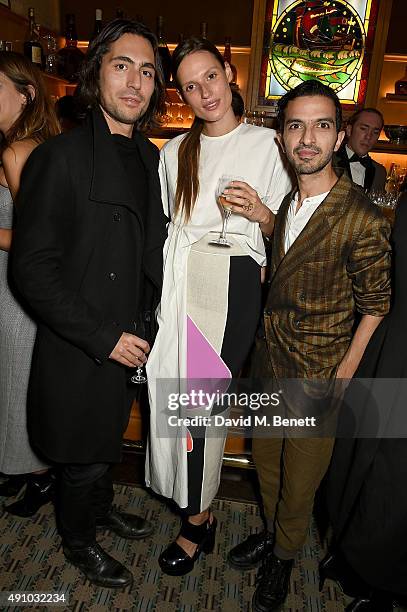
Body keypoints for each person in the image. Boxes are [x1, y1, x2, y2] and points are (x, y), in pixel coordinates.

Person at [11, 19, 167, 589]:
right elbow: (31, 269)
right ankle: (78, 541)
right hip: (85, 339)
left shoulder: (153, 160)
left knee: (104, 441)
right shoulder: (60, 157)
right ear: (94, 74)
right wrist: (102, 336)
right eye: (120, 65)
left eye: (146, 70)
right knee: (82, 452)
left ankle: (98, 513)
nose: (134, 81)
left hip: (136, 330)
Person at [227, 80, 392, 612]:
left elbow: (377, 304)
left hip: (318, 373)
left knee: (299, 484)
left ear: (339, 137)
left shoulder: (361, 216)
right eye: (296, 125)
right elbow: (294, 250)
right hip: (271, 360)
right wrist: (262, 218)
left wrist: (344, 373)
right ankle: (276, 534)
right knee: (266, 465)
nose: (307, 138)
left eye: (322, 125)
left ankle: (284, 556)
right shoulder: (288, 202)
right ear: (281, 137)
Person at [145, 36, 292, 577]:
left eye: (210, 76)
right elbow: (166, 228)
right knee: (177, 400)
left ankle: (196, 520)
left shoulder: (269, 145)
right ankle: (195, 509)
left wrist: (259, 212)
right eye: (189, 85)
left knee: (202, 405)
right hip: (183, 277)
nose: (204, 91)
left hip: (231, 282)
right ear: (180, 94)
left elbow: (287, 238)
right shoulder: (172, 153)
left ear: (229, 72)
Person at [322, 191, 407, 612]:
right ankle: (360, 559)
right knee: (364, 457)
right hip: (390, 344)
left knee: (394, 470)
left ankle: (383, 582)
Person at [0, 52, 60, 515]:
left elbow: (39, 238)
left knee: (19, 382)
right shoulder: (33, 142)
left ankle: (38, 477)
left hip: (15, 288)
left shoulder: (18, 150)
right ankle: (23, 470)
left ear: (27, 93)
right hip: (13, 286)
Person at [335, 107, 386, 192]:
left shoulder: (380, 172)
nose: (369, 136)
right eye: (363, 129)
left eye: (375, 132)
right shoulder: (328, 162)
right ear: (349, 130)